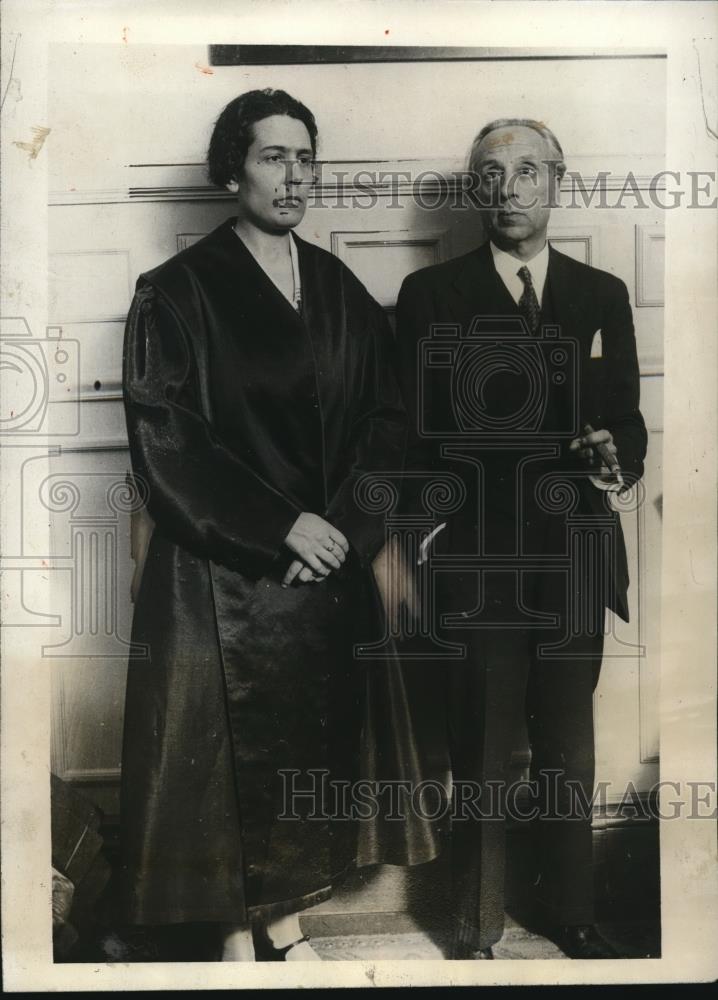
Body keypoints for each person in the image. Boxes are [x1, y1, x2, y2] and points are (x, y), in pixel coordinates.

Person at [120, 88, 439, 963]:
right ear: (233, 171)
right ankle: (232, 937)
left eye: (305, 158)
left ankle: (287, 926)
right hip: (220, 574)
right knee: (221, 767)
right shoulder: (177, 291)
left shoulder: (338, 288)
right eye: (272, 157)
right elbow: (167, 438)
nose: (293, 176)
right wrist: (280, 527)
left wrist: (341, 530)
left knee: (311, 751)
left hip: (324, 567)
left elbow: (385, 422)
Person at [395, 118, 647, 959]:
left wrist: (617, 457)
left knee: (568, 747)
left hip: (574, 550)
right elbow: (410, 436)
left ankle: (569, 909)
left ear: (557, 182)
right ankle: (475, 921)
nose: (509, 189)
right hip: (478, 557)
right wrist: (429, 528)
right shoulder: (430, 297)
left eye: (527, 171)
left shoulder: (602, 294)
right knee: (482, 744)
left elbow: (626, 423)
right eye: (491, 174)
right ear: (475, 190)